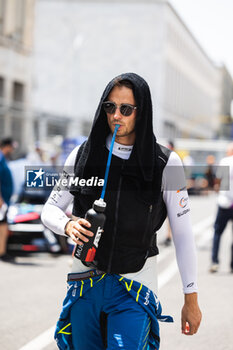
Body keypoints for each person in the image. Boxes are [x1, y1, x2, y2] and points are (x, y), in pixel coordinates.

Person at [42, 73, 201, 350]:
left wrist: (191, 299)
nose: (116, 116)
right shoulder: (82, 155)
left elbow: (183, 235)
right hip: (85, 286)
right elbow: (51, 209)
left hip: (134, 288)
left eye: (126, 109)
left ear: (142, 112)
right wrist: (67, 226)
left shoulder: (166, 163)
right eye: (110, 107)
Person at [210, 143, 233, 273]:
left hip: (225, 202)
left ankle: (215, 262)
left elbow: (217, 181)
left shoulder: (225, 161)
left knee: (218, 233)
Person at [0, 137, 15, 262]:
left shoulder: (3, 158)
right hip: (1, 201)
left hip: (4, 200)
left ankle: (2, 251)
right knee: (2, 226)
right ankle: (2, 252)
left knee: (3, 226)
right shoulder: (0, 158)